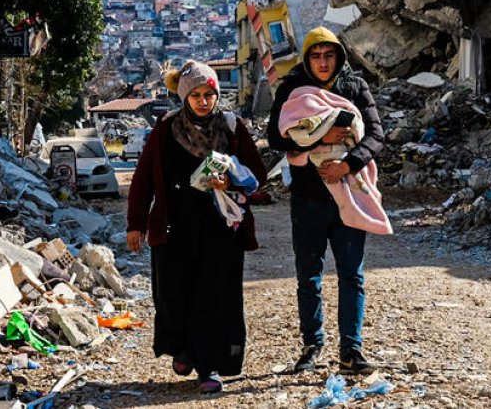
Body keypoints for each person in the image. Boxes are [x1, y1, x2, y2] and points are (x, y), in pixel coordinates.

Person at [126, 60, 268, 394]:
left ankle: (210, 366)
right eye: (196, 95)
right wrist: (136, 223)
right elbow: (143, 177)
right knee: (174, 296)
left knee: (214, 298)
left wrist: (230, 180)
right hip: (175, 227)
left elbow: (257, 175)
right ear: (184, 97)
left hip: (220, 229)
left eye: (209, 94)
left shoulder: (232, 127)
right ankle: (184, 349)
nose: (204, 101)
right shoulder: (166, 128)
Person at [267, 27, 384, 375]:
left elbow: (376, 134)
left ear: (339, 57)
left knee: (352, 275)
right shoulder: (291, 88)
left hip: (348, 192)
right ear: (307, 58)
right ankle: (311, 345)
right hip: (308, 198)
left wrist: (348, 163)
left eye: (328, 55)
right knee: (309, 275)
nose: (322, 62)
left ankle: (351, 350)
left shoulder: (355, 87)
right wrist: (318, 136)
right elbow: (275, 135)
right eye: (315, 56)